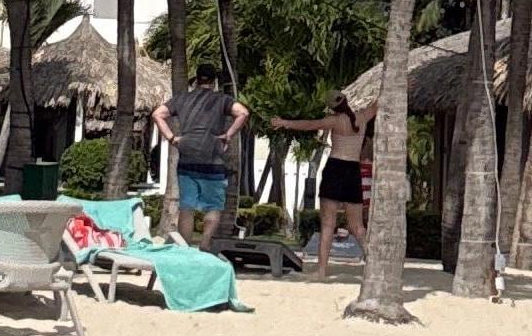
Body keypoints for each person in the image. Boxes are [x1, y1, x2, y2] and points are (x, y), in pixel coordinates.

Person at [269, 92, 371, 280]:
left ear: (332, 107)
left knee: (328, 224)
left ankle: (322, 271)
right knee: (357, 226)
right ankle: (373, 267)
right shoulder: (363, 117)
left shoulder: (334, 121)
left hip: (335, 168)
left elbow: (309, 124)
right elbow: (379, 104)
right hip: (353, 171)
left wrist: (284, 122)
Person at [151, 64, 248, 246]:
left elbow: (157, 114)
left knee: (186, 207)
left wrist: (172, 138)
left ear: (196, 80)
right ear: (214, 81)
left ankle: (185, 248)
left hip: (187, 158)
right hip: (212, 159)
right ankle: (204, 243)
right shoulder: (222, 100)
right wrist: (228, 135)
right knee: (214, 206)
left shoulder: (182, 99)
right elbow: (243, 112)